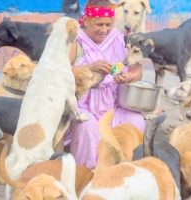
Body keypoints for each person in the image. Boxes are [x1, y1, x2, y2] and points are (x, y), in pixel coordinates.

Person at [65, 0, 145, 169]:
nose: (104, 30)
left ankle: (127, 169)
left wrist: (129, 77)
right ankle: (87, 173)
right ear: (86, 20)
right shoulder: (75, 40)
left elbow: (138, 70)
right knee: (86, 127)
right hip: (84, 106)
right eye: (98, 24)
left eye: (108, 24)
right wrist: (88, 68)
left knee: (136, 121)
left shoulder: (119, 38)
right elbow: (62, 71)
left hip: (114, 105)